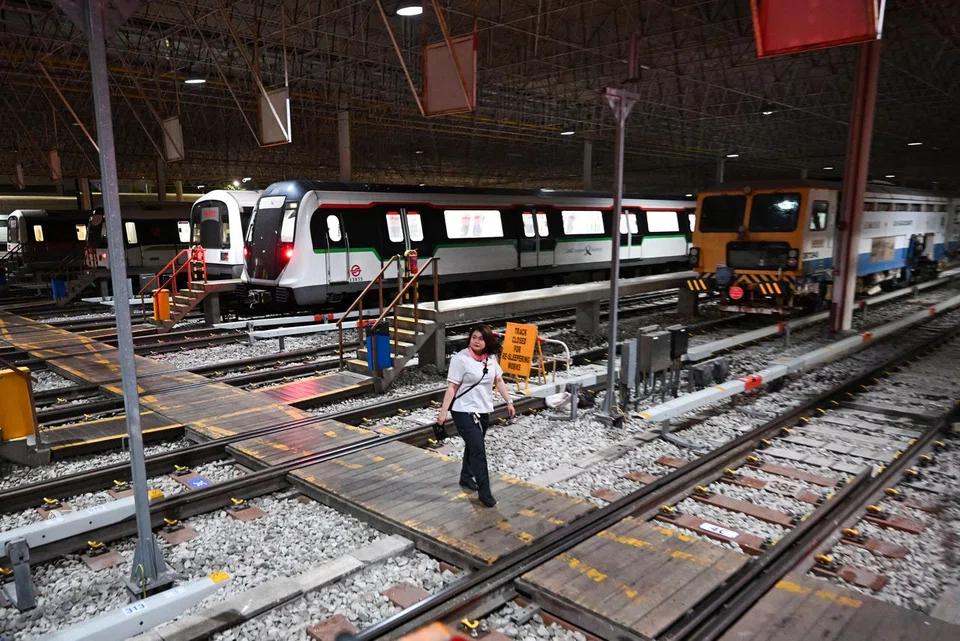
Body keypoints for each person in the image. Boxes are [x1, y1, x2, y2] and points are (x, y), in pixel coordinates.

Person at [437, 324, 516, 507]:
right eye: (474, 337)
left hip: (483, 410)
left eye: (481, 338)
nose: (477, 341)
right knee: (478, 450)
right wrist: (443, 413)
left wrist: (509, 402)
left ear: (487, 341)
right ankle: (485, 492)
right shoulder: (460, 359)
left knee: (473, 446)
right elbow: (452, 387)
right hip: (462, 410)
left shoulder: (490, 358)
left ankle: (466, 476)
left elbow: (499, 380)